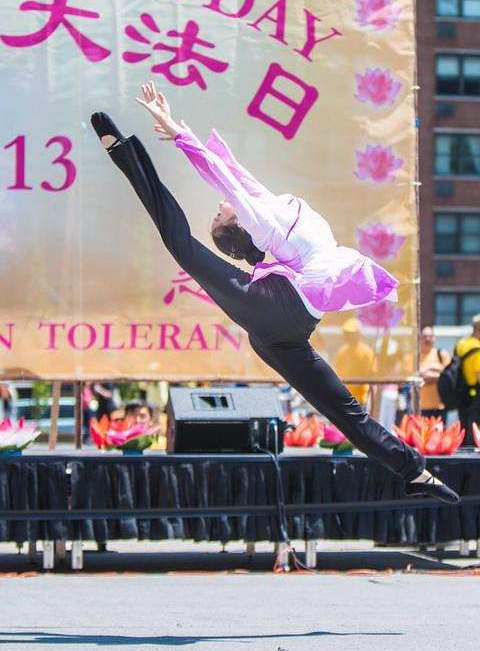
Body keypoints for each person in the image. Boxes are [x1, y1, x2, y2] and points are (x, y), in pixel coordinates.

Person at [89, 81, 459, 505]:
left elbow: (233, 176)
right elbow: (224, 179)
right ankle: (123, 152)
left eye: (216, 213)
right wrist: (178, 134)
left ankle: (413, 471)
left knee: (342, 407)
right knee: (182, 245)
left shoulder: (267, 209)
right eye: (220, 215)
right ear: (241, 227)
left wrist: (181, 134)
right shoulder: (264, 224)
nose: (220, 206)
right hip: (278, 312)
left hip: (282, 325)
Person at [333, 318, 374, 412]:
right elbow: (338, 374)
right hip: (344, 398)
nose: (347, 336)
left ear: (358, 334)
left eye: (350, 333)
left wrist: (372, 402)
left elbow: (372, 378)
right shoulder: (342, 352)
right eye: (346, 333)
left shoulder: (366, 352)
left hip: (360, 399)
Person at [456, 314, 480, 446]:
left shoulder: (462, 343)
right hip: (475, 394)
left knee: (464, 430)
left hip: (461, 392)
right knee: (474, 432)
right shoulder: (477, 348)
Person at [419, 326, 450, 422]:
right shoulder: (415, 356)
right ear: (419, 338)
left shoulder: (442, 354)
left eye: (430, 336)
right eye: (424, 336)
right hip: (421, 408)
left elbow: (447, 376)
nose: (427, 339)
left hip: (440, 407)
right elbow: (415, 375)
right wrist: (436, 369)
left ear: (434, 338)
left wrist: (426, 372)